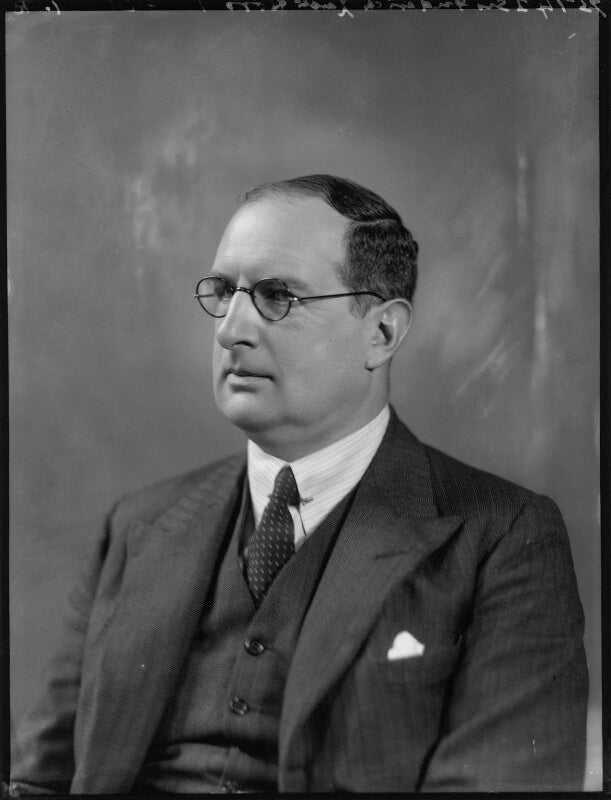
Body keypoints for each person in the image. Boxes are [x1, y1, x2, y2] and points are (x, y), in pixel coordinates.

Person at [11, 175, 588, 794]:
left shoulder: (503, 538)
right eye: (223, 291)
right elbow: (40, 780)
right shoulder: (137, 525)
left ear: (382, 333)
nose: (230, 329)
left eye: (277, 296)